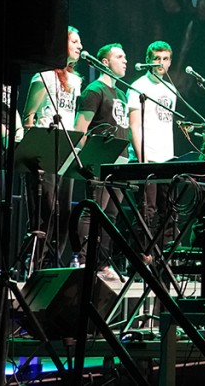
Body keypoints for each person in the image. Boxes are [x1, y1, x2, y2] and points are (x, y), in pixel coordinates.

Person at [19, 25, 84, 268]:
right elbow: (29, 115)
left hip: (65, 148)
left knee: (64, 211)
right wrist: (33, 151)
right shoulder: (43, 77)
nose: (80, 46)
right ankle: (35, 263)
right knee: (45, 210)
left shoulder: (76, 81)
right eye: (74, 41)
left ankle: (54, 262)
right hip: (45, 147)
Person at [74, 43, 131, 281]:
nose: (125, 60)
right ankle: (83, 261)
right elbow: (80, 129)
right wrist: (86, 163)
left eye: (125, 56)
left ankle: (103, 263)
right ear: (105, 63)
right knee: (93, 211)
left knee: (111, 214)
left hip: (120, 160)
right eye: (119, 56)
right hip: (100, 160)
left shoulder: (122, 94)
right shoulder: (94, 90)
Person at [126, 40, 178, 250]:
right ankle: (142, 256)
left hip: (167, 158)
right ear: (148, 60)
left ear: (170, 62)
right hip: (147, 157)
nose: (160, 63)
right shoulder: (138, 86)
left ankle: (164, 256)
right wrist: (142, 158)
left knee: (169, 210)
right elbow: (134, 125)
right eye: (156, 58)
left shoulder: (171, 89)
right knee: (147, 211)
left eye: (165, 59)